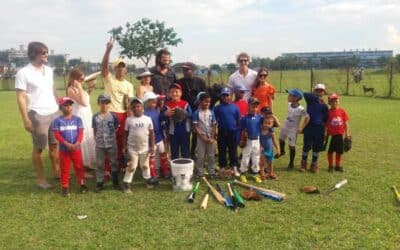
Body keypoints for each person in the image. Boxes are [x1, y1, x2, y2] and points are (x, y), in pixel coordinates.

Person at [15, 41, 60, 189]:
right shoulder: (23, 73)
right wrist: (26, 119)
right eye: (44, 52)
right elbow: (20, 96)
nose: (47, 55)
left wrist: (59, 105)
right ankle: (41, 180)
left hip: (54, 112)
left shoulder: (49, 70)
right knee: (39, 148)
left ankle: (56, 172)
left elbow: (52, 89)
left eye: (47, 52)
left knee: (54, 145)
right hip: (37, 114)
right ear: (34, 54)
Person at [101, 37, 134, 170]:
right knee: (108, 141)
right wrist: (108, 50)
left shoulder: (129, 85)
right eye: (118, 67)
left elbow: (129, 102)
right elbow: (103, 66)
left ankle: (120, 165)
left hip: (123, 115)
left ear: (126, 70)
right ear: (114, 69)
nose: (121, 69)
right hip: (110, 113)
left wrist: (129, 116)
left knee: (121, 141)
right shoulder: (109, 79)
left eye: (123, 67)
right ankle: (108, 168)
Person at [52, 97, 88, 196]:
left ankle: (82, 184)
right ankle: (65, 187)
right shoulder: (57, 121)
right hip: (64, 149)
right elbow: (57, 134)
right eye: (66, 105)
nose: (68, 107)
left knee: (79, 167)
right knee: (65, 168)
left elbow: (80, 133)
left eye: (70, 105)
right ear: (60, 108)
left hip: (76, 148)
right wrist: (66, 144)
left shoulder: (77, 119)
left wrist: (77, 143)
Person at [122, 98, 156, 193]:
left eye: (138, 106)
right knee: (132, 166)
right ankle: (127, 183)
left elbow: (152, 133)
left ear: (142, 107)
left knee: (145, 165)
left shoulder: (148, 119)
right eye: (134, 107)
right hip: (132, 148)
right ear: (132, 109)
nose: (136, 108)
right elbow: (125, 134)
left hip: (144, 148)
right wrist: (124, 146)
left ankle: (148, 180)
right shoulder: (129, 120)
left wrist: (152, 146)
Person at [66, 68, 96, 172]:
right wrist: (79, 86)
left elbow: (85, 98)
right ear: (74, 79)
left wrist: (90, 89)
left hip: (86, 115)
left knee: (89, 137)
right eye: (80, 79)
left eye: (83, 78)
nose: (82, 81)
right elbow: (83, 102)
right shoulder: (71, 89)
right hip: (80, 116)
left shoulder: (79, 87)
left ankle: (86, 165)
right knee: (81, 141)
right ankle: (81, 169)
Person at [177, 62, 207, 159]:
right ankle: (185, 153)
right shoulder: (179, 82)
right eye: (183, 70)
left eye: (187, 69)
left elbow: (205, 96)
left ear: (193, 70)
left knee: (195, 133)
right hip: (184, 111)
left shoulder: (200, 81)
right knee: (186, 133)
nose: (185, 72)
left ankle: (193, 152)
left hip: (197, 111)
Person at [92, 94, 120, 192]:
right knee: (100, 164)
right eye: (102, 103)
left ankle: (115, 181)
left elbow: (116, 128)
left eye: (106, 103)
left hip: (111, 143)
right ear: (98, 104)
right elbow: (94, 129)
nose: (104, 105)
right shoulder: (95, 117)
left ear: (109, 104)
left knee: (114, 162)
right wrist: (97, 139)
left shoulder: (113, 116)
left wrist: (111, 137)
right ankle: (100, 182)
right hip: (100, 144)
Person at [278, 89, 310, 170]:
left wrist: (302, 128)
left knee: (291, 146)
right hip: (285, 126)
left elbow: (307, 117)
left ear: (296, 98)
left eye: (290, 95)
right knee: (281, 140)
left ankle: (291, 163)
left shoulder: (301, 109)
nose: (288, 96)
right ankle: (282, 151)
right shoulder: (289, 104)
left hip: (293, 130)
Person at [301, 83, 329, 173]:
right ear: (314, 91)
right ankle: (304, 163)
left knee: (316, 148)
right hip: (309, 127)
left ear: (324, 92)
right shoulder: (310, 100)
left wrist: (325, 131)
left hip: (319, 129)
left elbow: (325, 120)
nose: (319, 92)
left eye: (321, 91)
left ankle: (314, 164)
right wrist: (317, 97)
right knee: (306, 146)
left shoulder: (325, 106)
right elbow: (305, 94)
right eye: (317, 90)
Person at [214, 87, 241, 175]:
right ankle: (222, 167)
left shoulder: (235, 107)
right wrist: (215, 132)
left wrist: (238, 132)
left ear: (231, 96)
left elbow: (238, 121)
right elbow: (214, 121)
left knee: (233, 150)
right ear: (221, 97)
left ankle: (234, 166)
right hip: (222, 132)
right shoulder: (218, 108)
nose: (226, 97)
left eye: (227, 95)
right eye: (223, 95)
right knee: (222, 150)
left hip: (233, 132)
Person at [144, 91, 170, 179]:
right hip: (151, 140)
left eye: (155, 100)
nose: (155, 102)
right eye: (153, 101)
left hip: (159, 138)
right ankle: (154, 173)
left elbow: (160, 121)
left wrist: (166, 115)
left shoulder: (156, 111)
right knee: (152, 157)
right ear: (147, 102)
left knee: (163, 154)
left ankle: (165, 171)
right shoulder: (145, 114)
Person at [163, 83, 192, 159]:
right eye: (172, 92)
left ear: (181, 93)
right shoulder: (167, 105)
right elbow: (161, 117)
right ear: (169, 94)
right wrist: (166, 114)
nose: (174, 94)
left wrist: (184, 113)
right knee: (174, 151)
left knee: (185, 151)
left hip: (184, 131)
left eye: (176, 91)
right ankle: (175, 169)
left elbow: (191, 115)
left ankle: (186, 168)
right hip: (173, 132)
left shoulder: (185, 103)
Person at [239, 97, 263, 183]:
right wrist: (240, 140)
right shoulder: (244, 118)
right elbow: (240, 130)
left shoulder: (260, 117)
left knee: (256, 157)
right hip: (248, 140)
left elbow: (269, 122)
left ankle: (255, 173)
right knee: (246, 157)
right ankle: (243, 173)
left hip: (257, 139)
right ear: (248, 106)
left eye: (256, 107)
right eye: (252, 106)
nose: (254, 109)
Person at [192, 92, 217, 179]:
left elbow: (214, 125)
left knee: (211, 155)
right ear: (200, 102)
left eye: (209, 102)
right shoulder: (196, 113)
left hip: (210, 137)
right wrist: (202, 137)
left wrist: (212, 137)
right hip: (201, 138)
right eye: (205, 101)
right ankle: (200, 173)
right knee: (201, 156)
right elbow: (195, 126)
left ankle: (212, 172)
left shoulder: (211, 112)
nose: (207, 104)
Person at [326, 93, 350, 172]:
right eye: (332, 101)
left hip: (340, 135)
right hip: (330, 136)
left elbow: (346, 123)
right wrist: (324, 134)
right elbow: (325, 124)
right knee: (330, 151)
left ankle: (337, 165)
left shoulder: (342, 111)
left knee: (339, 151)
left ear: (339, 101)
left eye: (336, 101)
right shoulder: (328, 112)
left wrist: (347, 134)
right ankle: (330, 166)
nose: (335, 103)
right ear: (329, 103)